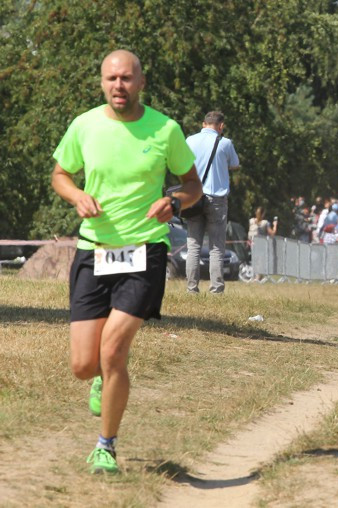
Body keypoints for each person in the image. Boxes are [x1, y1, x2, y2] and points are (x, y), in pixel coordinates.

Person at [50, 50, 201, 474]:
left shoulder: (165, 129)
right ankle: (101, 375)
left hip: (144, 251)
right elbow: (60, 174)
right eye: (111, 78)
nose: (119, 85)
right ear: (102, 82)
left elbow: (193, 186)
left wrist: (173, 200)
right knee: (84, 366)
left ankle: (105, 446)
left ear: (142, 82)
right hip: (92, 249)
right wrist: (76, 194)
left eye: (127, 78)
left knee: (114, 350)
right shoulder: (84, 125)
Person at [185, 111, 240, 294]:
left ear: (203, 124)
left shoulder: (190, 141)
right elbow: (235, 164)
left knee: (193, 245)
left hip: (194, 198)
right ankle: (216, 289)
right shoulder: (225, 143)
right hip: (216, 198)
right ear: (221, 126)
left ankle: (191, 288)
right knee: (216, 246)